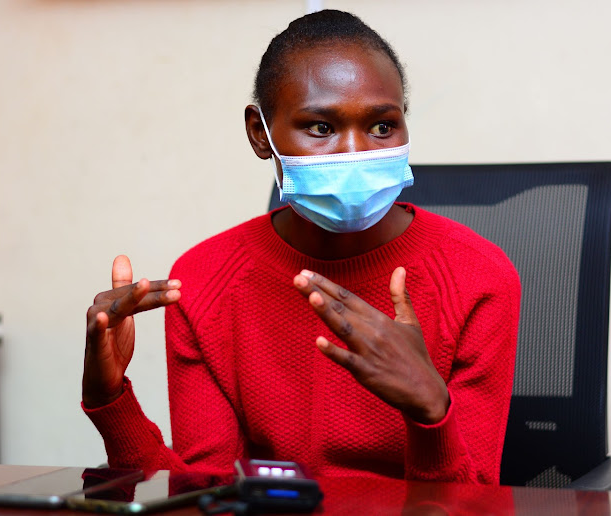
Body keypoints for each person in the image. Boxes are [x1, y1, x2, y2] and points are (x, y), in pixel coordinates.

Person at [82, 10, 520, 484]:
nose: (355, 152)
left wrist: (430, 408)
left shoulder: (479, 277)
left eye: (381, 127)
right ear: (259, 133)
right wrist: (111, 401)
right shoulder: (207, 281)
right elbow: (207, 493)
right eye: (320, 128)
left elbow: (474, 505)